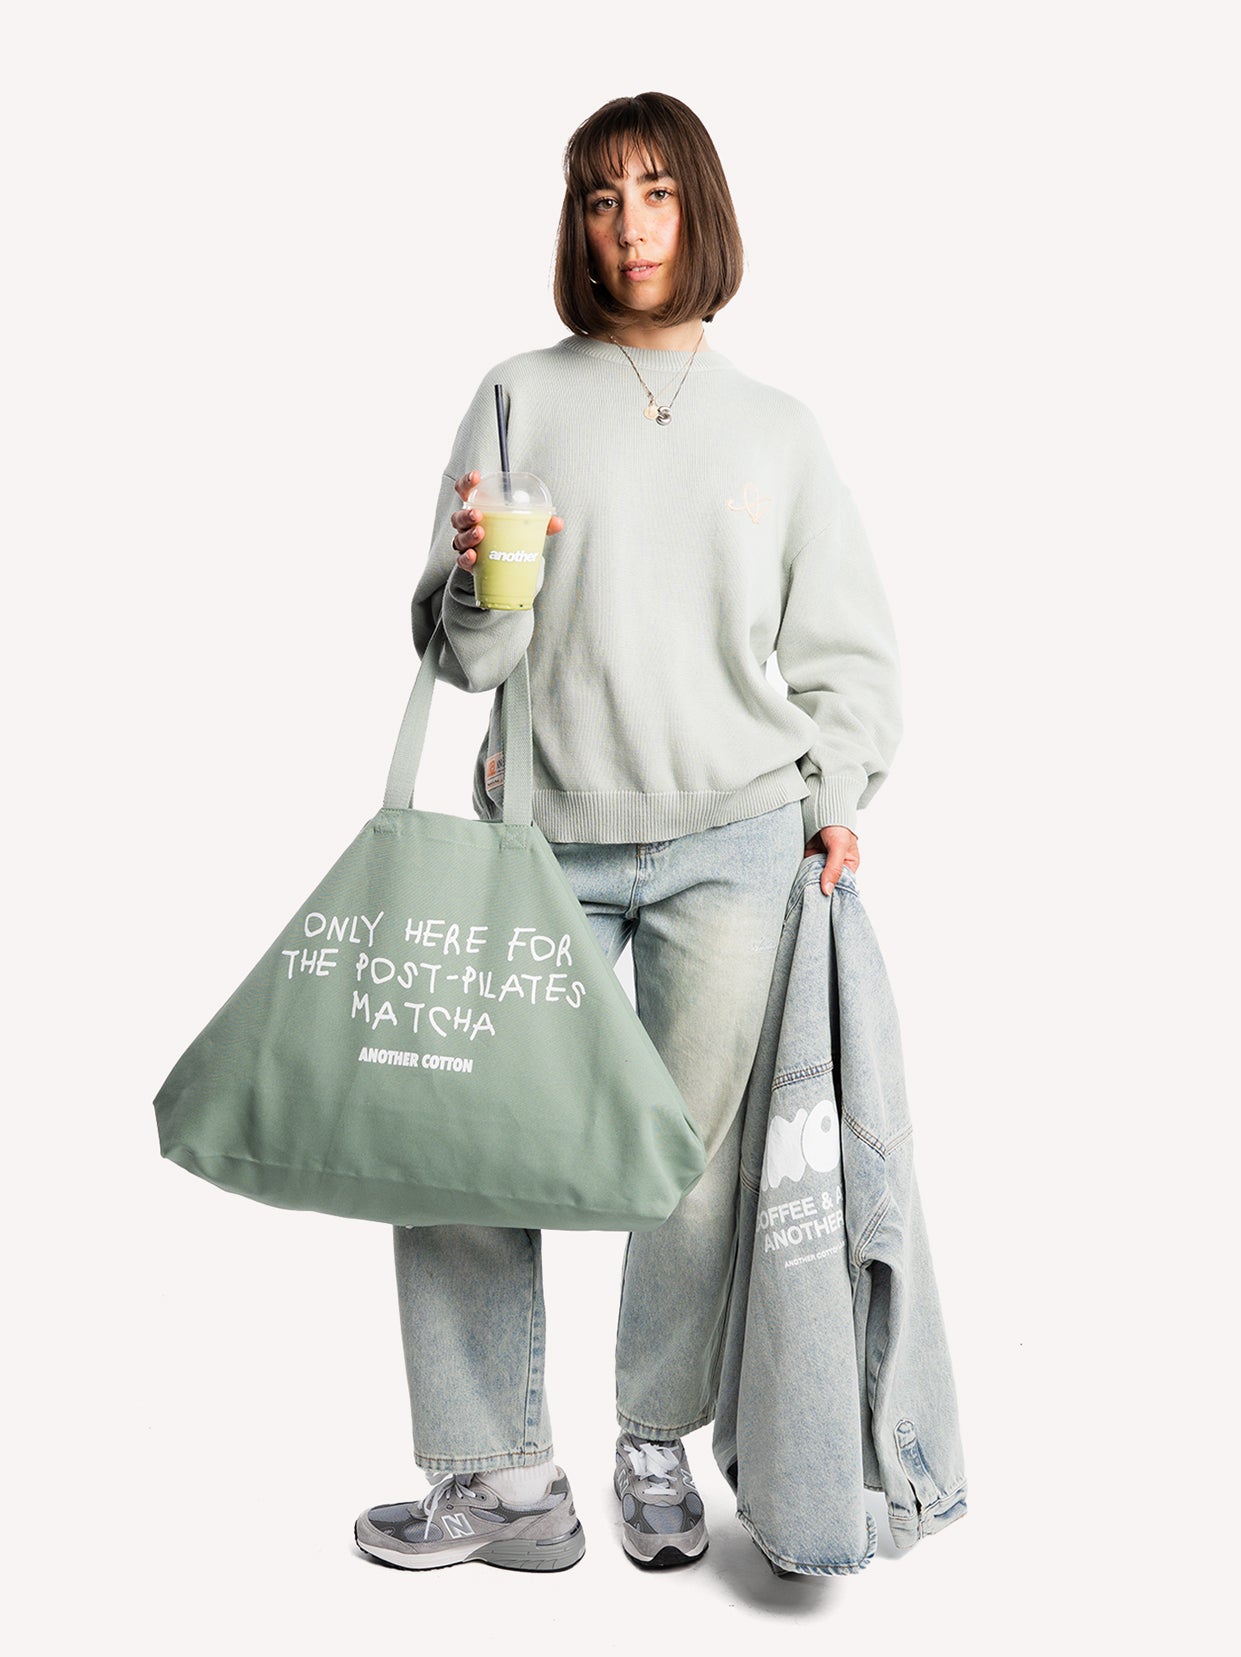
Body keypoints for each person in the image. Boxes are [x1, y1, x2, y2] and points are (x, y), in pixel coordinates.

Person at [354, 91, 903, 1575]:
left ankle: (653, 1437)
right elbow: (462, 654)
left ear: (696, 210)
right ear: (576, 225)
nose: (629, 225)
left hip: (735, 838)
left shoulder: (778, 430)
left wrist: (835, 800)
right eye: (601, 198)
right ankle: (497, 1473)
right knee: (455, 1137)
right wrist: (482, 582)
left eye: (655, 192)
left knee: (690, 1162)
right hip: (536, 836)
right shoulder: (516, 395)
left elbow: (847, 657)